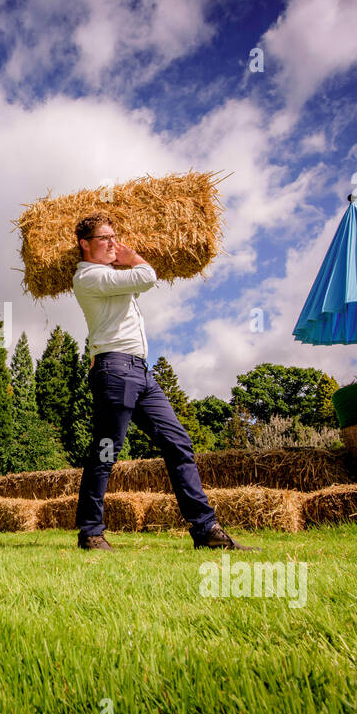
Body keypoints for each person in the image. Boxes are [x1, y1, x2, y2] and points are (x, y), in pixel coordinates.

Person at [72, 211, 257, 552]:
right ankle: (91, 533)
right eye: (105, 238)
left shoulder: (110, 277)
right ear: (85, 245)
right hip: (115, 370)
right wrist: (132, 258)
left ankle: (206, 531)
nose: (114, 243)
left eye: (116, 237)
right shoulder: (89, 277)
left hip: (140, 370)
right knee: (106, 450)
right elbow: (147, 276)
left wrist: (123, 261)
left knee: (178, 442)